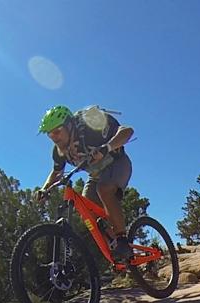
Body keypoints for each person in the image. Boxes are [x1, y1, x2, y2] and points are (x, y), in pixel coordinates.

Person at [37, 105, 134, 262]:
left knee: (104, 189)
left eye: (57, 131)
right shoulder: (59, 151)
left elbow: (127, 131)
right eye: (50, 135)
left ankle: (123, 240)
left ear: (69, 125)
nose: (54, 137)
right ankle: (114, 245)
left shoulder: (89, 126)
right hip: (95, 175)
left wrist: (106, 147)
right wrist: (44, 188)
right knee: (86, 210)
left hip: (118, 164)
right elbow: (56, 172)